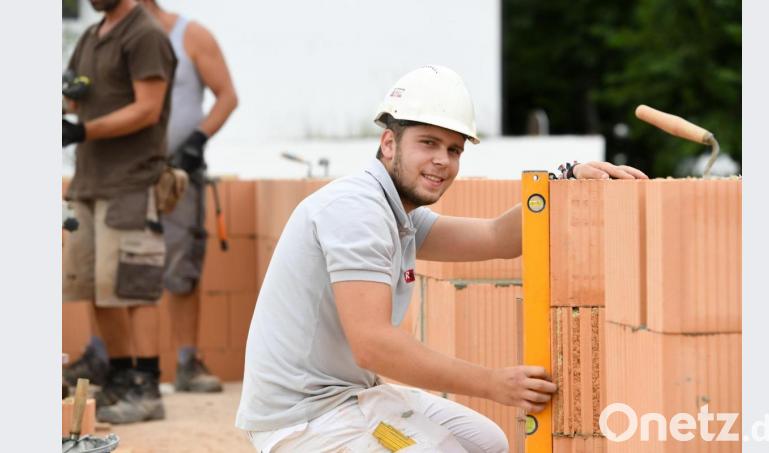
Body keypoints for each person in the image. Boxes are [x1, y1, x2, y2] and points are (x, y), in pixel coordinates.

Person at [235, 65, 648, 452]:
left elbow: (495, 238)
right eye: (428, 143)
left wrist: (564, 181)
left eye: (454, 149)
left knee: (488, 442)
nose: (442, 161)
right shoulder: (356, 210)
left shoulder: (398, 214)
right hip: (305, 418)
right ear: (389, 143)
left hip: (353, 395)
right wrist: (493, 383)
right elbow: (374, 345)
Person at [64, 0, 239, 397]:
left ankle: (174, 368)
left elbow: (219, 97)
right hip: (99, 177)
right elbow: (81, 96)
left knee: (164, 275)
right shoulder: (97, 35)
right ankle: (111, 365)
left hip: (156, 175)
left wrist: (197, 139)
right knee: (103, 283)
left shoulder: (172, 34)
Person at [62, 0, 176, 424]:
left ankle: (145, 385)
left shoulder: (144, 34)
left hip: (131, 181)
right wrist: (69, 105)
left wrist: (83, 130)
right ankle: (117, 376)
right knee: (96, 288)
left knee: (133, 285)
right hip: (89, 181)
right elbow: (76, 97)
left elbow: (148, 108)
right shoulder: (93, 36)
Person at [140, 0, 239, 393]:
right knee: (126, 270)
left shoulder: (189, 35)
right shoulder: (115, 39)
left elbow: (228, 96)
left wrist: (197, 139)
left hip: (177, 173)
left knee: (181, 266)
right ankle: (126, 367)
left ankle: (186, 363)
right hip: (128, 173)